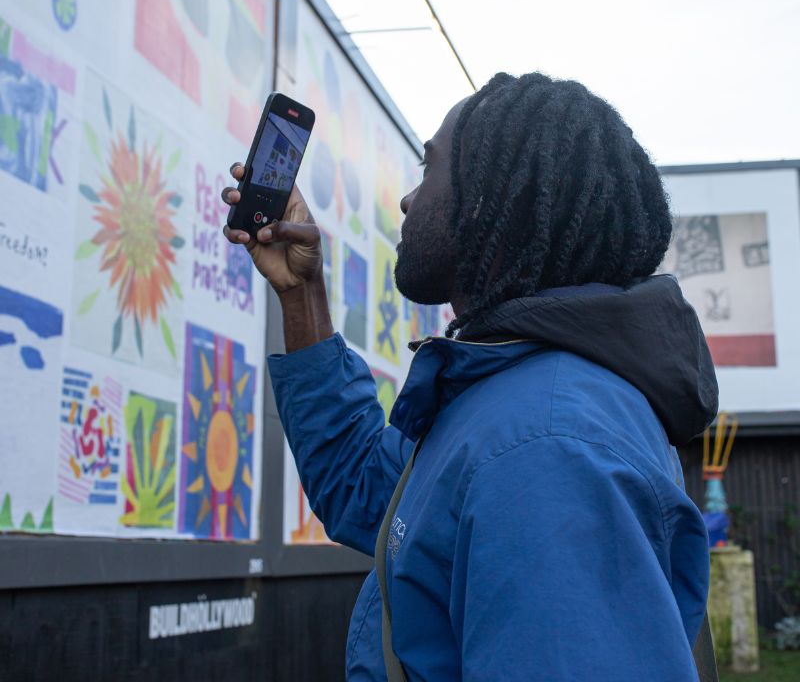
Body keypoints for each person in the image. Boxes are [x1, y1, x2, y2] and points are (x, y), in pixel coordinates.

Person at [221, 72, 717, 681]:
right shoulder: (514, 399)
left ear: (489, 199)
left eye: (428, 169)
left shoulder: (545, 445)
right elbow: (365, 492)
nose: (408, 200)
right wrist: (302, 294)